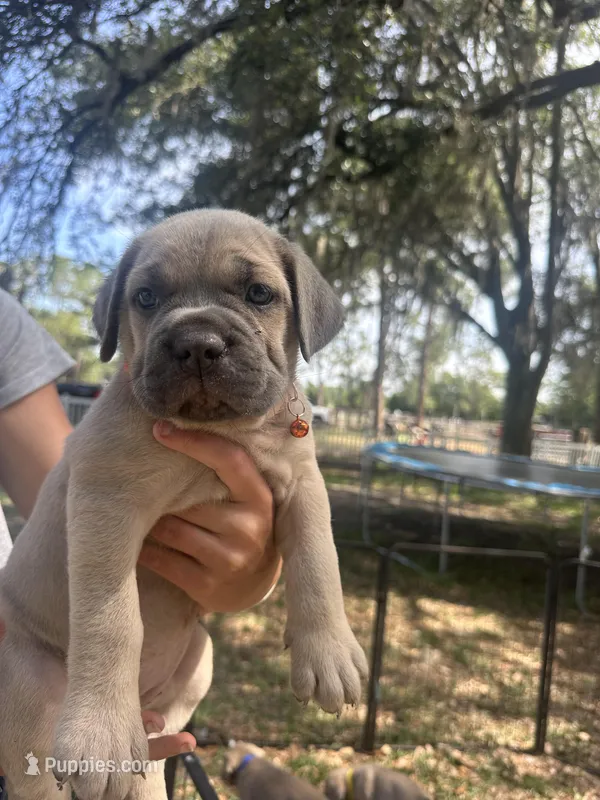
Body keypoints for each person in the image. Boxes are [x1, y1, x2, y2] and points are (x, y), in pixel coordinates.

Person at [0, 288, 280, 790]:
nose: (198, 342)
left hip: (118, 694)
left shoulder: (3, 324)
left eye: (256, 295)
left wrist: (248, 576)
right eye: (149, 299)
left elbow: (75, 503)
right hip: (32, 677)